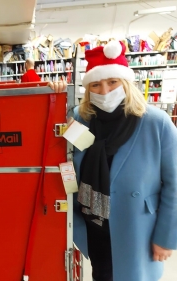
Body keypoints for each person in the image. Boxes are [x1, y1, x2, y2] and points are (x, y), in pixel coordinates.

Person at [72, 40, 177, 281]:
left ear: (126, 83)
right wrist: (52, 90)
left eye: (112, 82)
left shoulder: (155, 122)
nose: (105, 91)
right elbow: (58, 140)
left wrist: (166, 236)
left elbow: (175, 184)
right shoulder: (80, 119)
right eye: (96, 85)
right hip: (95, 224)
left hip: (138, 227)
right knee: (103, 275)